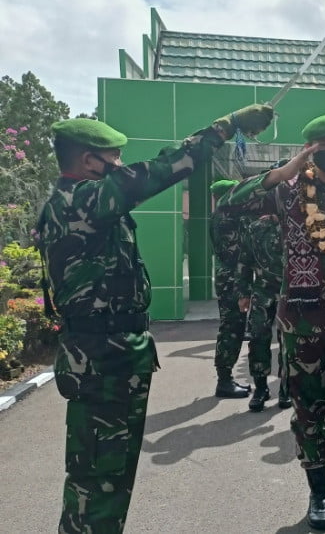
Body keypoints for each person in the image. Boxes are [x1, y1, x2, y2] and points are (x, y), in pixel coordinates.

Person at [35, 105, 273, 533]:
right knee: (97, 482)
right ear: (90, 160)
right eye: (114, 157)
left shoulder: (81, 201)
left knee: (111, 477)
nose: (120, 165)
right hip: (101, 361)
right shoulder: (81, 199)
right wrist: (227, 126)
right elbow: (164, 169)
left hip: (112, 357)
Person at [224, 114, 325, 531]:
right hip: (303, 323)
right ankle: (319, 494)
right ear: (310, 150)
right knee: (308, 411)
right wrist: (282, 171)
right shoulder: (286, 194)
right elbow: (232, 203)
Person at [237, 159, 292, 412]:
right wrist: (243, 293)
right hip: (263, 291)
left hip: (291, 292)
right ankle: (260, 389)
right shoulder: (257, 227)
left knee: (289, 342)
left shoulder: (301, 225)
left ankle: (285, 389)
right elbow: (245, 261)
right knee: (258, 338)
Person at [209, 179, 254, 398]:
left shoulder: (221, 214)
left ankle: (225, 378)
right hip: (232, 280)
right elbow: (236, 253)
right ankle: (224, 380)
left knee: (233, 326)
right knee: (231, 328)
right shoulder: (226, 217)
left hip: (229, 278)